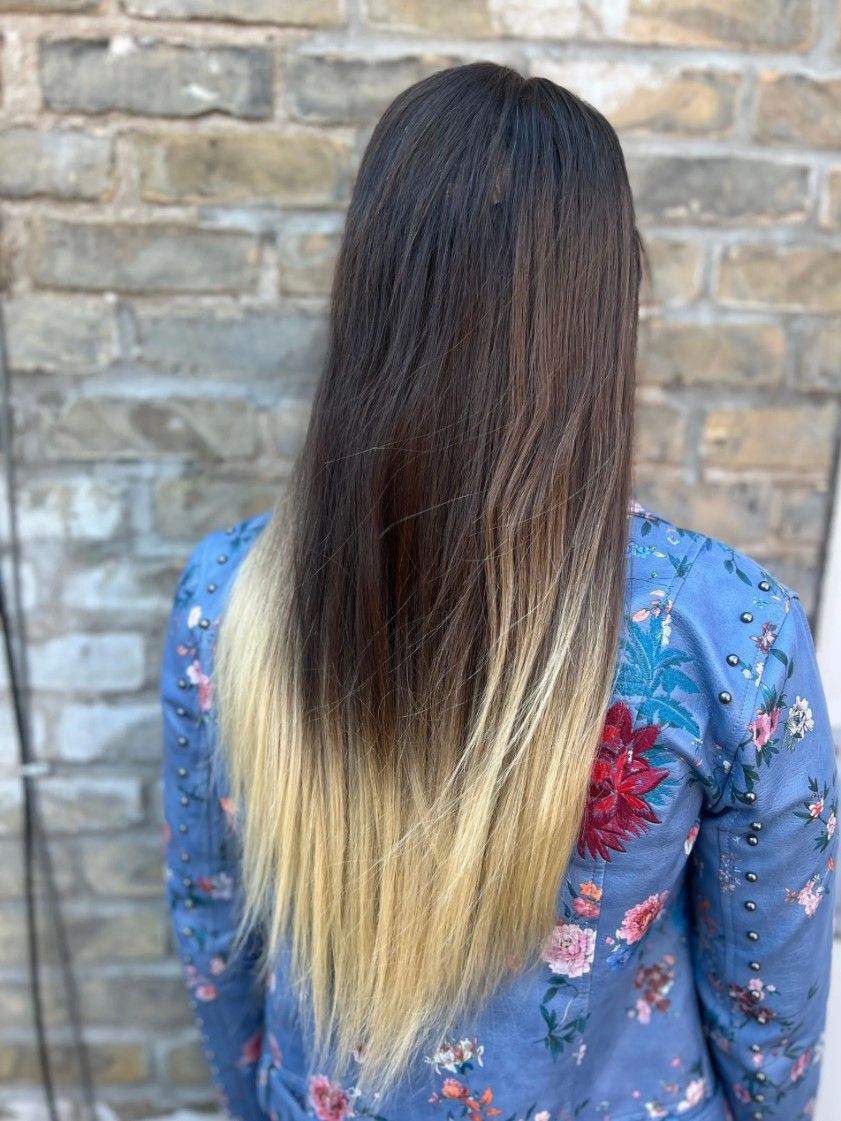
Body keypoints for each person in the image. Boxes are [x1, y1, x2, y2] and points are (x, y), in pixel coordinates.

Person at [159, 62, 837, 1121]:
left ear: (369, 293)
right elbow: (769, 1006)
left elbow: (215, 935)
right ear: (610, 309)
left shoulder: (227, 599)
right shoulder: (730, 635)